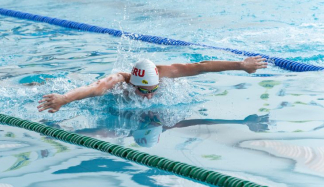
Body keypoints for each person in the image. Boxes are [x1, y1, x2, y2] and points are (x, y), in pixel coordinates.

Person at [38, 56, 267, 113]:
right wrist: (64, 99)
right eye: (142, 91)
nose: (148, 96)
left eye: (153, 90)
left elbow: (201, 66)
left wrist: (241, 65)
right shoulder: (120, 80)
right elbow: (95, 89)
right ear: (133, 83)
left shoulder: (167, 73)